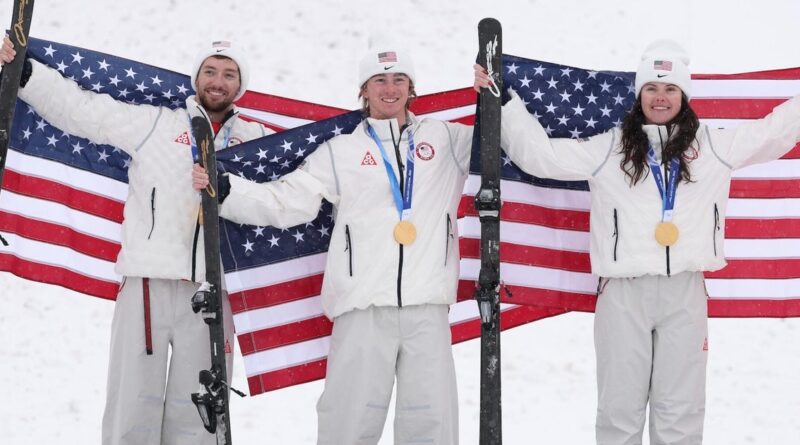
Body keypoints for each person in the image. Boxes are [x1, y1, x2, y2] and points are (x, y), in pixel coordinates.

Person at [475, 40, 800, 444]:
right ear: (639, 94)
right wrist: (504, 103)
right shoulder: (610, 148)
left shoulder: (714, 147)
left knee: (681, 410)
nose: (660, 97)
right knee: (619, 410)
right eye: (651, 88)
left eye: (670, 89)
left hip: (684, 292)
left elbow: (773, 132)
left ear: (684, 95)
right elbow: (542, 157)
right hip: (623, 294)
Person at [193, 39, 472, 444]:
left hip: (427, 308)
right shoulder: (341, 151)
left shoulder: (447, 140)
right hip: (362, 309)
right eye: (379, 80)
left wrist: (498, 97)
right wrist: (227, 190)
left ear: (412, 88)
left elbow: (500, 143)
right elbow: (290, 200)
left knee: (431, 424)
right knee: (348, 421)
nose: (390, 89)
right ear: (364, 90)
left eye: (399, 79)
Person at [1, 37, 273, 445]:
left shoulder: (257, 140)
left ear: (241, 85)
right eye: (210, 71)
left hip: (213, 292)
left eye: (229, 74)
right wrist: (26, 73)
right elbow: (85, 111)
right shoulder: (157, 123)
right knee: (131, 406)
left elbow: (281, 199)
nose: (218, 81)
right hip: (147, 285)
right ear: (196, 77)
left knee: (199, 414)